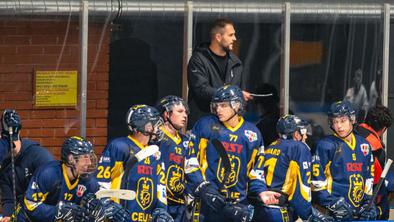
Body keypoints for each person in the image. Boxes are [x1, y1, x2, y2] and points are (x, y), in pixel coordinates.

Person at [190, 85, 281, 221]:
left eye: (223, 105)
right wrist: (204, 189)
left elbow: (256, 172)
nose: (218, 110)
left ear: (237, 105)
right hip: (208, 203)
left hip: (239, 205)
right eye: (217, 106)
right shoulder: (205, 126)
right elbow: (190, 161)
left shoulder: (252, 134)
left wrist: (261, 191)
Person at [15, 136, 130, 221]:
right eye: (85, 158)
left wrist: (106, 209)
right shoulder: (48, 174)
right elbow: (30, 206)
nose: (89, 162)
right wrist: (58, 211)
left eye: (90, 157)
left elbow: (99, 201)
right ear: (71, 159)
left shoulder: (88, 181)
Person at [156, 95, 229, 222]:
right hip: (160, 205)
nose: (185, 115)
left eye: (186, 112)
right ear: (166, 114)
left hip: (180, 205)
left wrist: (205, 188)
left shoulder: (186, 141)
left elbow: (191, 170)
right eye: (180, 111)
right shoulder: (156, 139)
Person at [96, 104, 173, 222]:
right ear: (146, 126)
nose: (159, 128)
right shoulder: (120, 146)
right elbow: (102, 181)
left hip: (146, 217)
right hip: (120, 216)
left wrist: (161, 209)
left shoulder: (155, 152)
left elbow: (160, 186)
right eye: (155, 124)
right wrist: (107, 204)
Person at [252, 115, 333, 222]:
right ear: (296, 134)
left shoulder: (271, 146)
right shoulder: (299, 147)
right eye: (303, 132)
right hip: (279, 211)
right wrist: (308, 214)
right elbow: (302, 189)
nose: (306, 136)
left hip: (260, 208)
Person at [311, 101, 376, 221]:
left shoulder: (364, 145)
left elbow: (368, 178)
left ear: (352, 119)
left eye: (343, 120)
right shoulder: (325, 145)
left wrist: (368, 203)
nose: (339, 126)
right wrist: (331, 203)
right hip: (331, 213)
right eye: (335, 122)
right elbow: (316, 183)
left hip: (357, 212)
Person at [187, 18, 252, 127]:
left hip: (230, 127)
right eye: (230, 35)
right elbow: (201, 90)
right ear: (218, 37)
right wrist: (233, 95)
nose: (235, 39)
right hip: (204, 125)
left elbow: (240, 94)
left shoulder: (236, 63)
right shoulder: (198, 60)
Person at [0, 109, 54, 222]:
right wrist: (9, 216)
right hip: (22, 215)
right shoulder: (5, 165)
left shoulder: (39, 155)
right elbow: (8, 199)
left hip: (45, 211)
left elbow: (54, 187)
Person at [355, 105, 393, 220]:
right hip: (363, 202)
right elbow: (376, 182)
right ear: (384, 128)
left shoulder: (351, 132)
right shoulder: (376, 148)